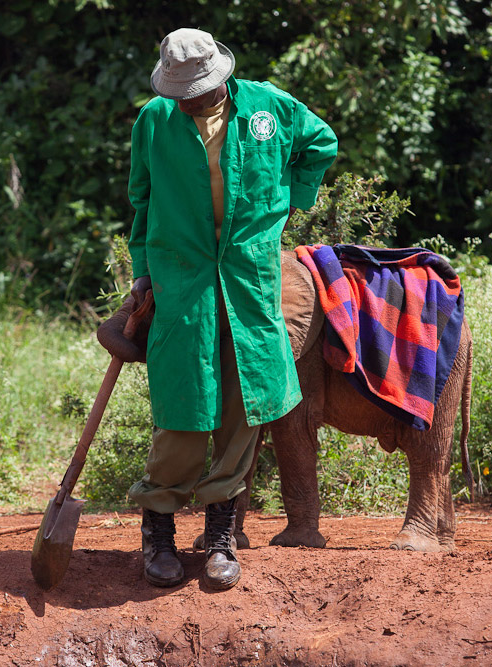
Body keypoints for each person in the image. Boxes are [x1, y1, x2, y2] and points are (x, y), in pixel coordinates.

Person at [126, 27, 337, 590]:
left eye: (198, 89)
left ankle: (220, 535)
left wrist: (286, 202)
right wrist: (143, 271)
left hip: (248, 277)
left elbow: (322, 144)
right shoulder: (154, 120)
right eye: (181, 92)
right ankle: (159, 533)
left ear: (221, 76)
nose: (190, 99)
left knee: (246, 403)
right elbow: (141, 200)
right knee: (184, 408)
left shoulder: (270, 106)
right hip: (181, 279)